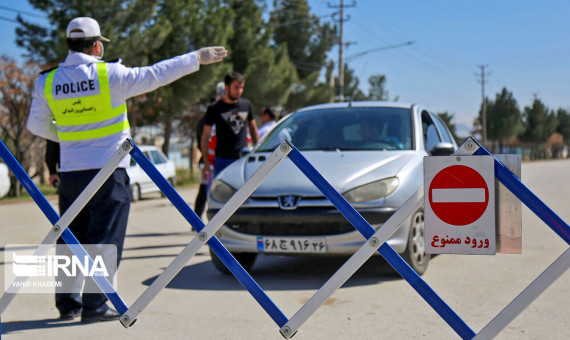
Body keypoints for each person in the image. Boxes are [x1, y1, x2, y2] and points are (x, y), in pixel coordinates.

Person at [26, 16, 227, 323]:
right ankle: (94, 306)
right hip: (108, 170)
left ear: (69, 45)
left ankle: (67, 303)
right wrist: (195, 58)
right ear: (97, 45)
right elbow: (156, 74)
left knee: (70, 236)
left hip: (71, 172)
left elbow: (35, 125)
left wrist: (70, 135)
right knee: (105, 237)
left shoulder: (48, 81)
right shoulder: (110, 75)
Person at [201, 71, 259, 181]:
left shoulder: (246, 105)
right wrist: (206, 164)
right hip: (222, 160)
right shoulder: (214, 108)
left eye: (241, 87)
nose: (239, 91)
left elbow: (253, 128)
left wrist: (258, 152)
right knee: (223, 195)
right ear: (227, 87)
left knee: (245, 195)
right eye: (236, 87)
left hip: (243, 158)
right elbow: (205, 136)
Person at [194, 82, 223, 219]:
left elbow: (200, 142)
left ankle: (195, 220)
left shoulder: (202, 121)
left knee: (203, 192)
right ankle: (200, 220)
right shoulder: (210, 120)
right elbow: (202, 141)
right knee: (209, 192)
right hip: (210, 161)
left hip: (206, 160)